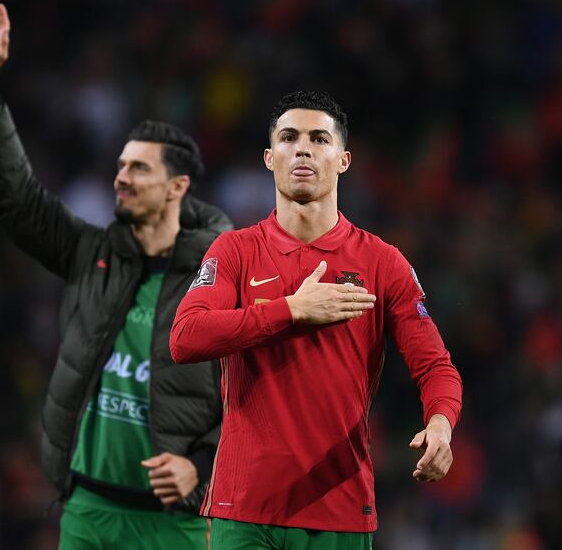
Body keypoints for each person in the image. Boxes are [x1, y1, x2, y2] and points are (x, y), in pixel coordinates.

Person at [0, 0, 230, 549]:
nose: (121, 177)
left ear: (178, 187)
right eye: (120, 165)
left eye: (139, 168)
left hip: (175, 524)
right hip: (88, 512)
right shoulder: (93, 254)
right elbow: (17, 202)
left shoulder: (226, 276)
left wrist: (201, 467)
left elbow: (261, 401)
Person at [170, 91, 463, 549]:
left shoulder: (382, 263)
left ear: (343, 160)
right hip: (243, 509)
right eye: (288, 137)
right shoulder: (234, 251)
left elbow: (436, 367)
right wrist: (290, 309)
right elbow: (185, 338)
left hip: (339, 509)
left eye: (318, 138)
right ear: (270, 158)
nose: (302, 148)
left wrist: (441, 424)